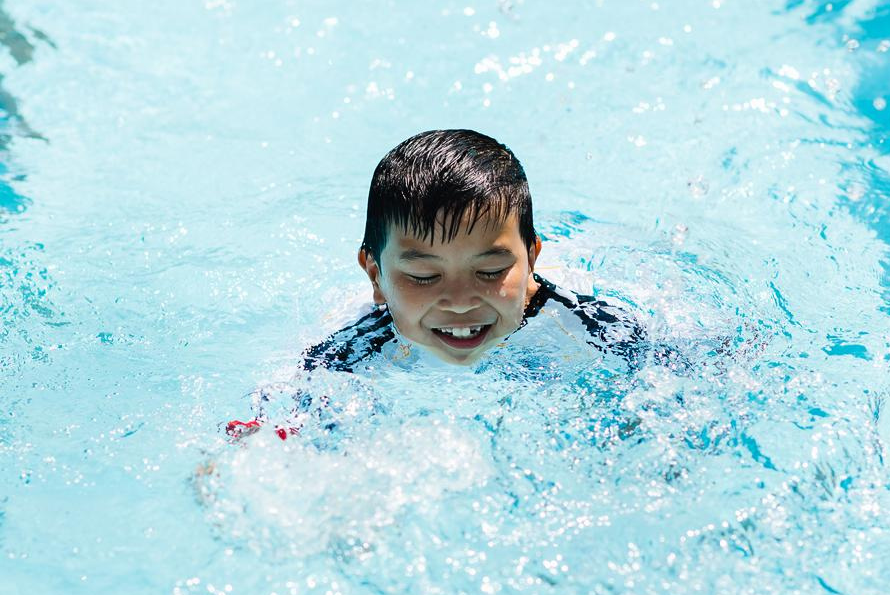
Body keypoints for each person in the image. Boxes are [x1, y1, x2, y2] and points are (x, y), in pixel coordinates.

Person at [225, 129, 646, 441]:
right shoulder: (353, 352)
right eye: (424, 277)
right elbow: (274, 423)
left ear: (532, 258)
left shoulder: (588, 328)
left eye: (491, 271)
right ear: (375, 276)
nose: (461, 302)